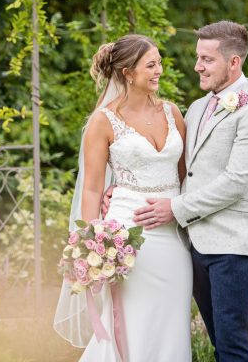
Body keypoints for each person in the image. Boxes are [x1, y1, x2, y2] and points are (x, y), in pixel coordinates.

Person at [129, 21, 248, 362]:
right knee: (219, 344)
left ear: (234, 63)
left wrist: (176, 208)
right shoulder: (197, 108)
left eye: (207, 59)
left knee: (232, 347)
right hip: (196, 244)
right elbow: (179, 170)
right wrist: (121, 190)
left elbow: (236, 182)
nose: (197, 66)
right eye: (198, 57)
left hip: (235, 245)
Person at [53, 34, 193, 362]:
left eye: (159, 62)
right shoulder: (102, 122)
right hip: (128, 243)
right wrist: (89, 248)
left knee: (171, 325)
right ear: (128, 72)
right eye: (151, 64)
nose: (159, 70)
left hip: (172, 240)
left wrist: (177, 207)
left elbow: (186, 174)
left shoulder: (173, 113)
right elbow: (91, 188)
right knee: (132, 324)